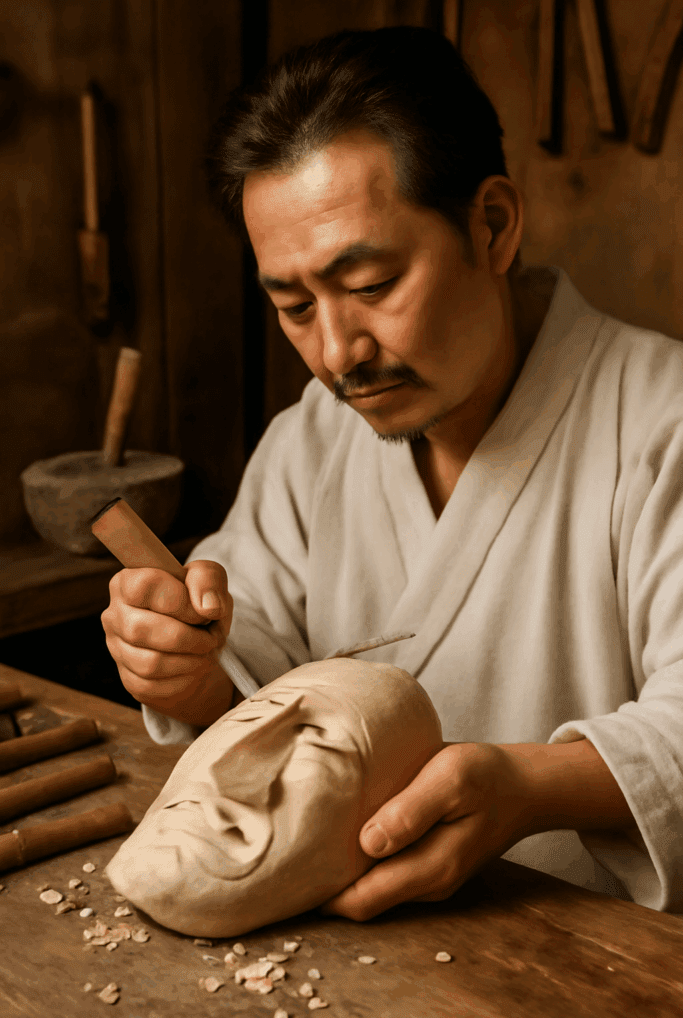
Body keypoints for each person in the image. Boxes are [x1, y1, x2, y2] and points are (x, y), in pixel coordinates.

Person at [101, 26, 683, 919]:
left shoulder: (660, 420)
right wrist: (189, 672)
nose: (336, 354)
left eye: (369, 284)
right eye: (293, 306)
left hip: (603, 964)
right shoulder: (311, 442)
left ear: (491, 226)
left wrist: (529, 788)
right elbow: (248, 661)